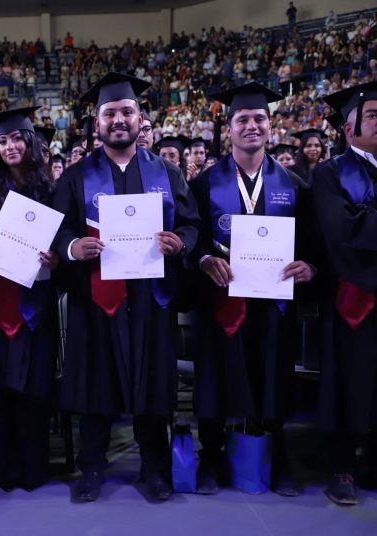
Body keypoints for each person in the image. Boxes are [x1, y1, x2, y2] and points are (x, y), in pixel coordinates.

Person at [52, 72, 201, 502]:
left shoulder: (167, 173)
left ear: (140, 119)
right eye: (110, 113)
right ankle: (92, 468)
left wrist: (180, 243)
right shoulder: (76, 177)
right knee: (95, 384)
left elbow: (191, 225)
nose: (119, 120)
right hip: (97, 297)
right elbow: (58, 230)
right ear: (97, 122)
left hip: (150, 299)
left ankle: (153, 468)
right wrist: (73, 246)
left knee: (152, 384)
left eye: (127, 112)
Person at [188, 82, 316, 497]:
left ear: (270, 126)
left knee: (274, 376)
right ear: (229, 129)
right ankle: (211, 456)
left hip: (274, 304)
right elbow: (193, 237)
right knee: (214, 378)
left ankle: (277, 459)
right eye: (242, 119)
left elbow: (312, 243)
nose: (252, 126)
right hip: (222, 301)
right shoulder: (205, 185)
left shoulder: (294, 185)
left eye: (259, 118)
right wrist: (204, 260)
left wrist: (309, 266)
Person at [0, 107, 59, 491]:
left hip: (34, 302)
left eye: (17, 138)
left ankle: (32, 468)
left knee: (33, 389)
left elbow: (63, 238)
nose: (9, 146)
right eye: (2, 141)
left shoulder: (50, 189)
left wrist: (57, 257)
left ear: (31, 142)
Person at [313, 81, 377, 505]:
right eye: (372, 115)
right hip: (352, 298)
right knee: (348, 381)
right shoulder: (330, 174)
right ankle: (342, 468)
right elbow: (343, 232)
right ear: (349, 128)